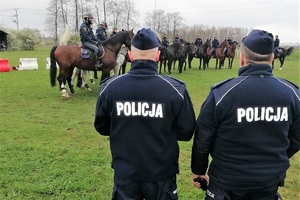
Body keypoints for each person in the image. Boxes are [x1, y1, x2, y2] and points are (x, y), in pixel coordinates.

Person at [191, 29, 300, 200]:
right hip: (268, 180)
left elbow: (203, 139)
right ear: (272, 59)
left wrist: (198, 171)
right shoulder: (292, 93)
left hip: (226, 180)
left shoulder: (221, 94)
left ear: (241, 58)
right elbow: (296, 137)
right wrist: (276, 157)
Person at [94, 27, 196, 200]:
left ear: (131, 56)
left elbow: (102, 127)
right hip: (161, 173)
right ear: (157, 56)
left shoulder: (110, 87)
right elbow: (186, 132)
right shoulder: (175, 89)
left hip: (125, 172)